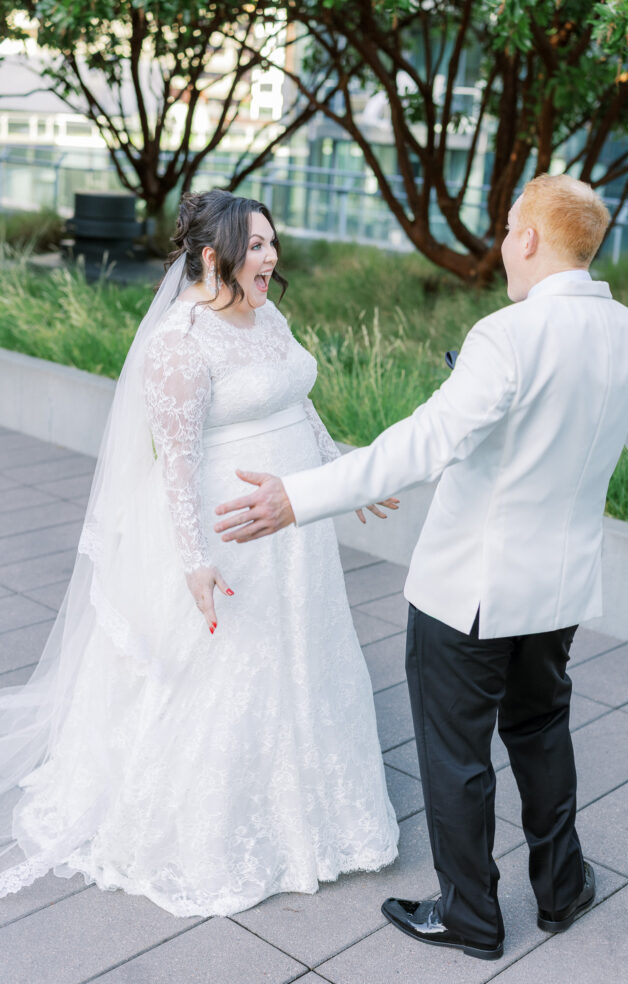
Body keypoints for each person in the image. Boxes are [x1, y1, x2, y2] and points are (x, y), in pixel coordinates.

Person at [212, 175, 628, 960]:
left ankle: (470, 915)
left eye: (506, 229)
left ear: (528, 239)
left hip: (467, 593)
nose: (502, 243)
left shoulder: (507, 336)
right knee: (540, 731)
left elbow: (418, 445)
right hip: (557, 590)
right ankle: (562, 890)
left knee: (456, 755)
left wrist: (298, 496)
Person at [0, 189, 399, 917]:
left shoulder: (265, 312)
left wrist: (344, 477)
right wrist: (194, 560)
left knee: (298, 658)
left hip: (292, 526)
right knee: (225, 671)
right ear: (212, 257)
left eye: (272, 243)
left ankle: (307, 813)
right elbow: (176, 463)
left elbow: (295, 403)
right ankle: (209, 824)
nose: (271, 258)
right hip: (227, 529)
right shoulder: (179, 344)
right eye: (256, 247)